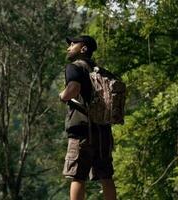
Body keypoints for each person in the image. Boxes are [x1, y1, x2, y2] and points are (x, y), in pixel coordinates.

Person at [59, 35, 117, 200]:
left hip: (82, 132)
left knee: (78, 176)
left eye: (73, 44)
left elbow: (73, 89)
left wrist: (62, 95)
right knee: (106, 176)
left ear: (83, 49)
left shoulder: (74, 67)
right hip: (103, 131)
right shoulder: (101, 71)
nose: (69, 47)